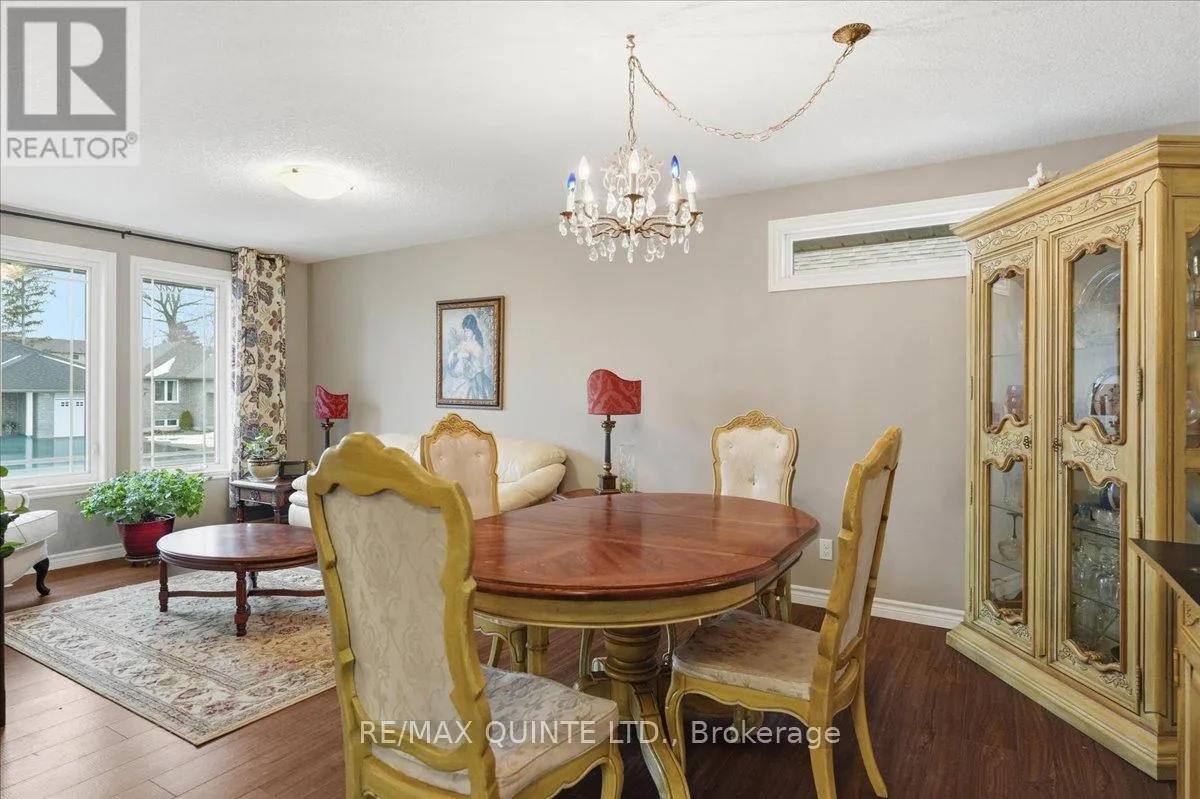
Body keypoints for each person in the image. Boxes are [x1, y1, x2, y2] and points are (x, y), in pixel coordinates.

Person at [444, 313, 493, 400]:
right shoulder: (463, 343)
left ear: (474, 330)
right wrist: (454, 354)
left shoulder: (477, 347)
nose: (466, 333)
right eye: (465, 331)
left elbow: (478, 367)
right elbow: (456, 356)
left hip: (473, 379)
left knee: (470, 393)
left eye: (468, 331)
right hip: (460, 377)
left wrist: (468, 362)